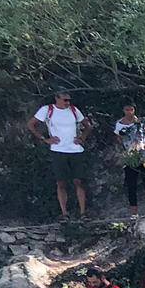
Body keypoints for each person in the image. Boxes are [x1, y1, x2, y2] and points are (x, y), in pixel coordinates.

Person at [28, 91, 89, 220]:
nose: (67, 102)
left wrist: (82, 137)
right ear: (57, 98)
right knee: (61, 182)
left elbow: (88, 126)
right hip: (58, 150)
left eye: (69, 100)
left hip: (75, 150)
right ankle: (64, 213)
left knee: (79, 181)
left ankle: (83, 213)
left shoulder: (73, 110)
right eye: (65, 100)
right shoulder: (47, 110)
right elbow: (31, 124)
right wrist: (44, 139)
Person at [113, 104, 145, 218]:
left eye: (131, 109)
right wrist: (125, 151)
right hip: (131, 158)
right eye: (127, 109)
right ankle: (134, 213)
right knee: (131, 185)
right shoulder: (119, 125)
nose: (129, 112)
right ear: (123, 110)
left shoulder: (142, 122)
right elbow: (118, 140)